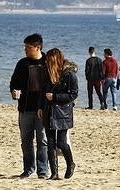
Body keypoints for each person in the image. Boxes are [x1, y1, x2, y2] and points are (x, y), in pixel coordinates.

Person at [9, 33, 49, 179]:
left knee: (42, 140)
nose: (25, 49)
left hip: (43, 109)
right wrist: (14, 92)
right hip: (25, 108)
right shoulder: (22, 64)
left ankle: (43, 170)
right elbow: (14, 83)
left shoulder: (47, 62)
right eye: (25, 47)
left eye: (28, 47)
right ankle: (28, 168)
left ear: (38, 47)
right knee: (26, 140)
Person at [37, 48, 77, 180]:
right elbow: (42, 91)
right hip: (48, 109)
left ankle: (70, 163)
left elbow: (73, 94)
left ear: (55, 60)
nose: (47, 62)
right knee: (50, 142)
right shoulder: (45, 72)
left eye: (49, 60)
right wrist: (40, 107)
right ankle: (54, 173)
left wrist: (55, 97)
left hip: (63, 112)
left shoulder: (69, 74)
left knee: (61, 142)